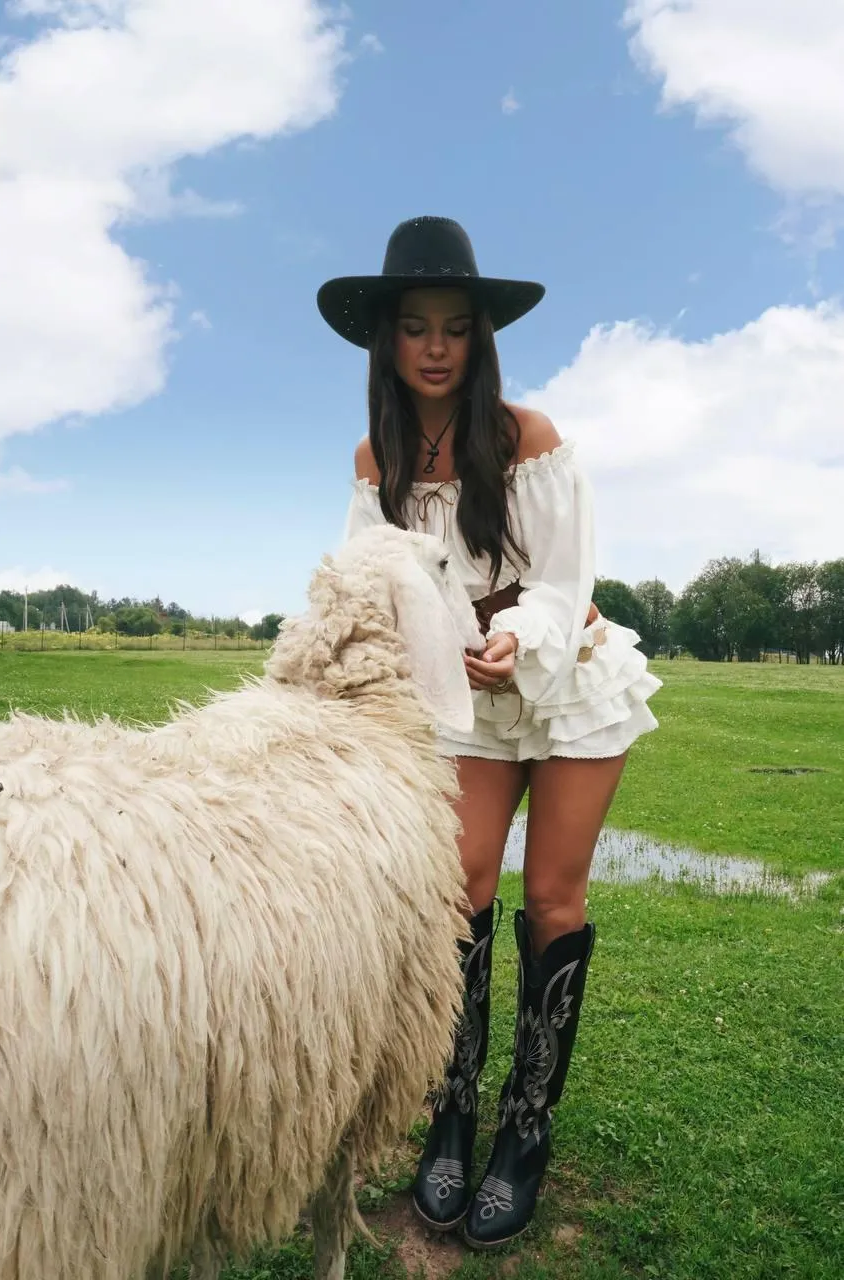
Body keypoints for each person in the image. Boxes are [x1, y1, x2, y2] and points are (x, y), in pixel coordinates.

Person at [316, 216, 661, 1250]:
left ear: (479, 338)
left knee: (552, 895)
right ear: (386, 339)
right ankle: (452, 1111)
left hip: (564, 684)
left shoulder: (529, 437)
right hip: (465, 701)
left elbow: (564, 579)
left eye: (453, 327)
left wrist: (512, 637)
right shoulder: (375, 459)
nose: (433, 345)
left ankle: (524, 1129)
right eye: (414, 326)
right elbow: (370, 579)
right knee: (461, 884)